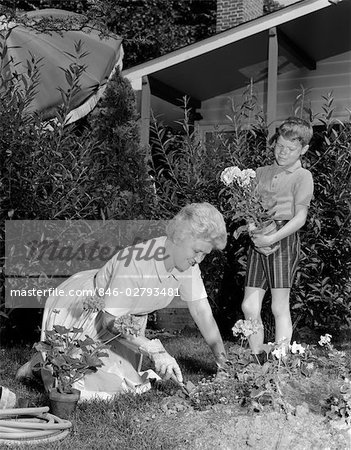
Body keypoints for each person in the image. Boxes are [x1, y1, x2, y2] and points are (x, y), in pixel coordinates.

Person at [17, 202, 229, 399]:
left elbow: (202, 312)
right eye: (197, 251)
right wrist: (154, 349)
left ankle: (44, 364)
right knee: (82, 389)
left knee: (127, 385)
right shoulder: (136, 264)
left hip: (125, 326)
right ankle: (36, 367)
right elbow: (109, 320)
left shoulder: (188, 265)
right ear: (179, 237)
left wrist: (223, 363)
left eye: (205, 254)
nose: (199, 260)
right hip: (90, 313)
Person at [241, 117, 314, 358]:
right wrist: (255, 235)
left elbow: (300, 218)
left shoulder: (303, 176)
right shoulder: (260, 173)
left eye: (290, 149)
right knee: (249, 306)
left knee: (278, 305)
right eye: (279, 146)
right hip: (259, 236)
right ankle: (256, 360)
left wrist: (271, 239)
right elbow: (248, 208)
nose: (282, 152)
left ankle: (280, 363)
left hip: (283, 238)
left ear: (303, 149)